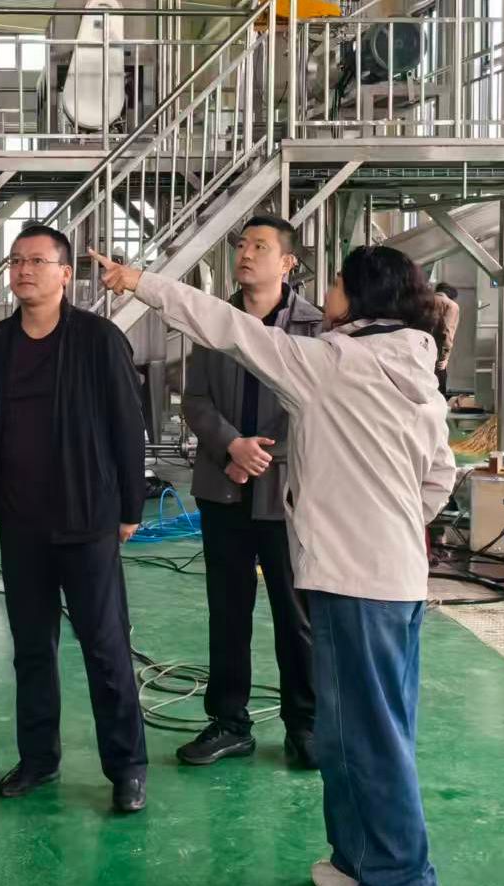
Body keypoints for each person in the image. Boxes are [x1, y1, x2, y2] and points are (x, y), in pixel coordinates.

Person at [93, 245, 454, 886]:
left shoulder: (330, 364)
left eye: (337, 283)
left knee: (368, 738)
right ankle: (357, 861)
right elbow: (439, 479)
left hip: (352, 581)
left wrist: (141, 282)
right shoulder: (419, 372)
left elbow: (226, 327)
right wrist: (388, 526)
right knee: (357, 731)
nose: (328, 293)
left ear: (359, 296)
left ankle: (401, 874)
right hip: (397, 575)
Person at [0, 225, 150, 814]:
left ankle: (127, 768)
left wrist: (130, 506)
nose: (24, 270)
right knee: (32, 649)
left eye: (37, 261)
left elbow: (127, 426)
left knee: (105, 649)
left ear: (64, 274)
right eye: (16, 261)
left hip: (86, 521)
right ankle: (38, 759)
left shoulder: (98, 339)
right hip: (20, 525)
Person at [176, 215, 322, 769]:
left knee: (296, 612)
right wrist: (232, 446)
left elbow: (319, 403)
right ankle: (229, 722)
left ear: (287, 262)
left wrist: (263, 453)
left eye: (260, 246)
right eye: (241, 244)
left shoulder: (315, 328)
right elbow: (194, 400)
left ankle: (305, 725)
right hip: (224, 488)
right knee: (228, 610)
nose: (246, 253)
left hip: (288, 492)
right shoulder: (215, 321)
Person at [432, 282, 460, 397]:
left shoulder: (423, 301)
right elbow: (447, 333)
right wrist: (444, 358)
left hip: (418, 348)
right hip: (437, 351)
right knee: (439, 386)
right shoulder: (451, 305)